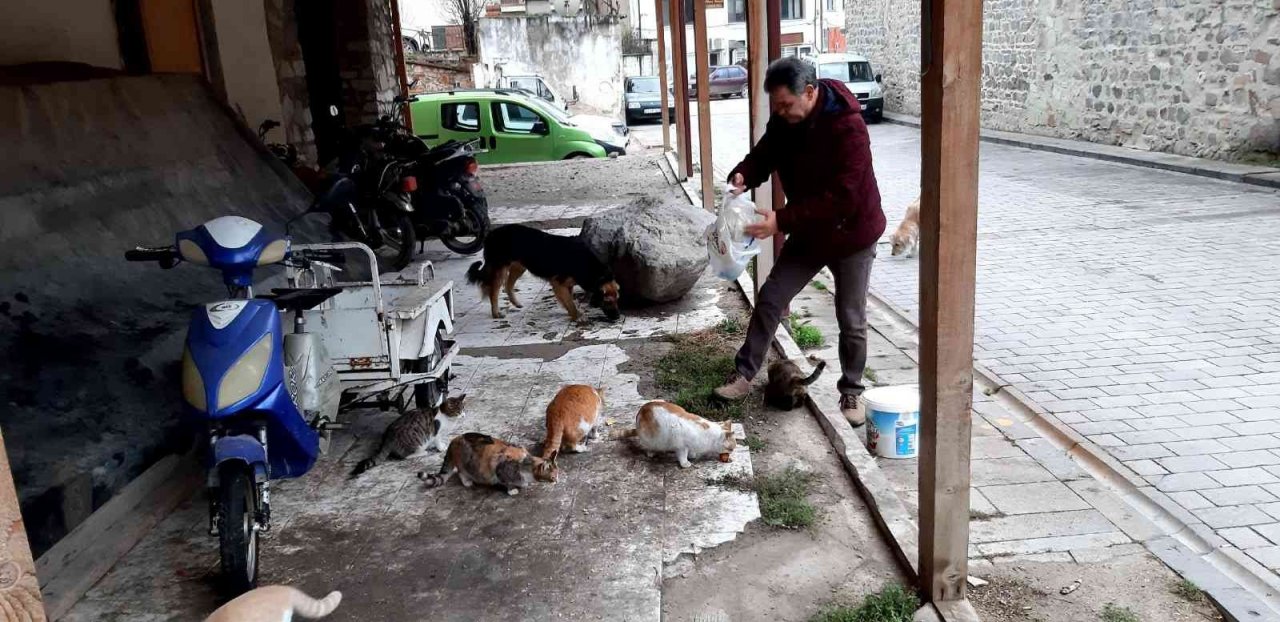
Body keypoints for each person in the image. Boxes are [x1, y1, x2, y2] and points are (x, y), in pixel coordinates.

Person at [713, 57, 886, 426]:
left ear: (809, 93)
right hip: (809, 233)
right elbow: (765, 153)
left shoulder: (848, 127)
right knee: (772, 297)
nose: (780, 111)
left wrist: (781, 220)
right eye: (775, 105)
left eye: (785, 105)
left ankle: (852, 391)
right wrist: (744, 174)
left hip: (852, 233)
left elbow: (845, 196)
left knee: (851, 317)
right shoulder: (785, 119)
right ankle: (744, 375)